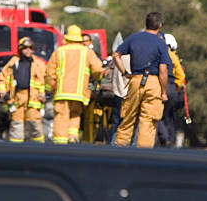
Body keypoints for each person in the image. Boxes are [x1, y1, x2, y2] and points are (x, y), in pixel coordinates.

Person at [112, 12, 171, 148]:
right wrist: (163, 92)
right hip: (153, 82)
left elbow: (116, 55)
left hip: (135, 80)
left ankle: (119, 149)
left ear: (146, 23)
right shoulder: (161, 44)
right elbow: (163, 70)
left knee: (128, 118)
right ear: (160, 26)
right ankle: (143, 155)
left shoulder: (134, 38)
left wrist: (125, 73)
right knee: (148, 121)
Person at [45, 25, 103, 144]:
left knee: (61, 116)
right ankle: (72, 137)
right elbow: (98, 69)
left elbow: (49, 73)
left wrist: (50, 88)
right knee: (75, 114)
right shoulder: (87, 52)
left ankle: (60, 143)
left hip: (62, 92)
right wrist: (100, 79)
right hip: (79, 93)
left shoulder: (59, 52)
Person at [0, 37, 46, 143]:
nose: (28, 50)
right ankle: (16, 150)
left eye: (30, 48)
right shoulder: (13, 62)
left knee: (35, 124)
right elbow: (3, 77)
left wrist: (42, 94)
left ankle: (38, 149)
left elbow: (44, 82)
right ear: (20, 49)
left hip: (34, 98)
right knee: (16, 124)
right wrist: (2, 92)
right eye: (25, 48)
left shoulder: (39, 64)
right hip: (17, 98)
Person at [156, 33, 185, 147]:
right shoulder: (173, 56)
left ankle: (164, 139)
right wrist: (175, 87)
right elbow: (181, 76)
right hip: (172, 88)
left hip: (161, 86)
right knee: (170, 117)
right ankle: (170, 141)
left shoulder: (158, 54)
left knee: (158, 116)